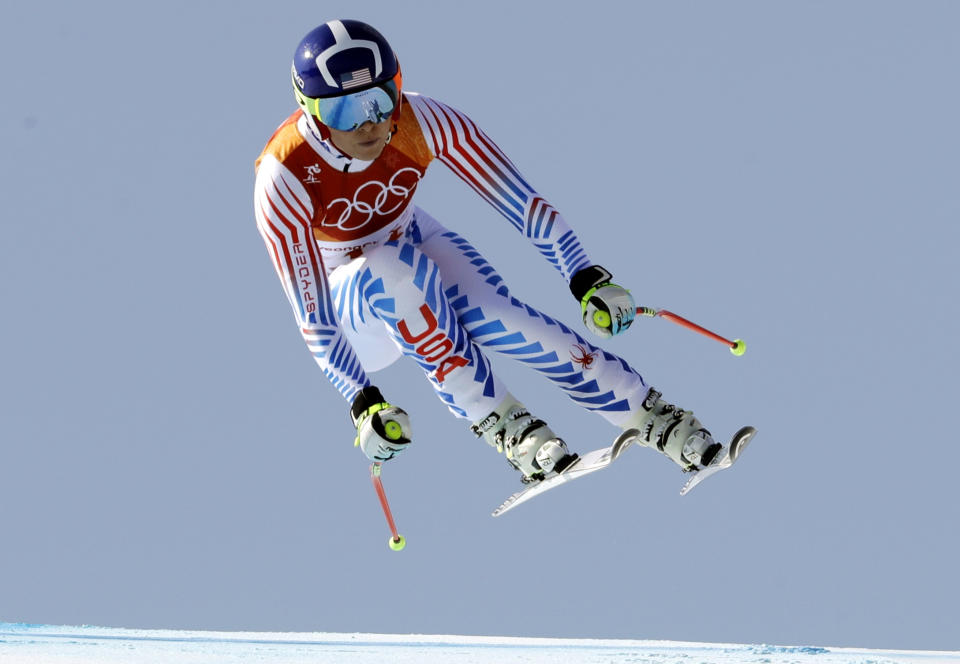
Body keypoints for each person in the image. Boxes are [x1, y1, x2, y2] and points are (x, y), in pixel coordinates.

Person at [254, 19, 726, 484]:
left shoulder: (423, 121)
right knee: (395, 271)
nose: (370, 123)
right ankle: (504, 423)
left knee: (497, 315)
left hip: (410, 238)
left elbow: (521, 202)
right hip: (350, 304)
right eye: (344, 111)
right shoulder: (285, 173)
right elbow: (313, 314)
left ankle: (652, 416)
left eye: (380, 99)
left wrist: (585, 277)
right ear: (311, 112)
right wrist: (361, 401)